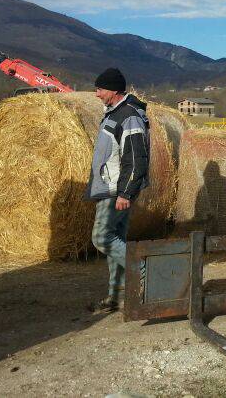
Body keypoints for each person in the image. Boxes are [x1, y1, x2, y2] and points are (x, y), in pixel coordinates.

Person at [85, 67, 150, 312]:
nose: (96, 94)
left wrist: (126, 192)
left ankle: (147, 273)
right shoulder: (114, 114)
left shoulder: (129, 116)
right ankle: (118, 295)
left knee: (102, 237)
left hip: (116, 190)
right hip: (111, 187)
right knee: (117, 239)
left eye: (100, 89)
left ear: (113, 90)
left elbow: (136, 158)